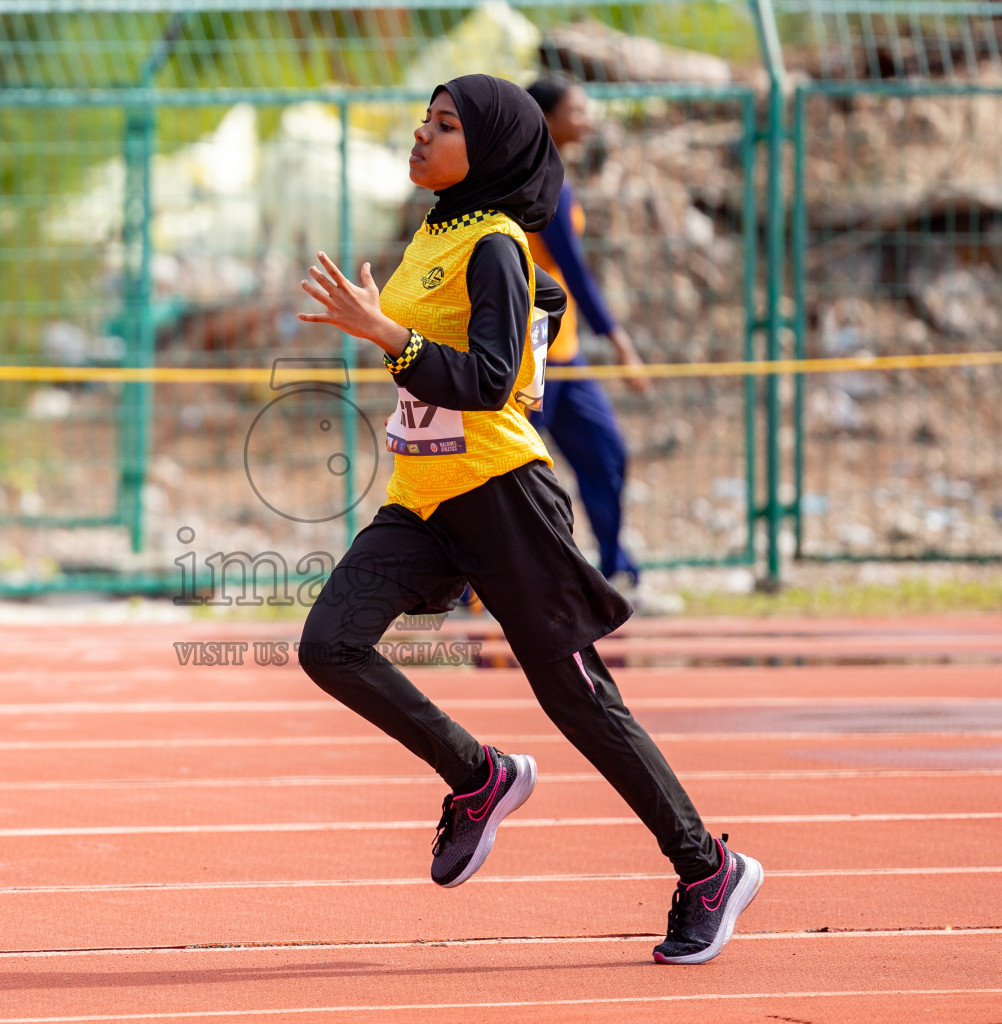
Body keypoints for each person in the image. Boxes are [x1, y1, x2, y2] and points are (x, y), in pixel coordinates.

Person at [294, 73, 761, 965]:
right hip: (423, 499)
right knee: (330, 646)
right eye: (423, 121)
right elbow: (517, 322)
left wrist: (388, 336)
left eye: (444, 125)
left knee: (578, 699)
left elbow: (484, 380)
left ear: (495, 149)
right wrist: (403, 327)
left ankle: (708, 869)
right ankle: (479, 776)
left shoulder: (499, 243)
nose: (421, 137)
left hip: (504, 496)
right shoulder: (434, 233)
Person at [522, 75, 658, 600]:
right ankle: (470, 588)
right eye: (578, 109)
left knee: (606, 453)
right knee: (510, 475)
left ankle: (615, 568)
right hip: (529, 354)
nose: (589, 117)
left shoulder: (553, 176)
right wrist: (620, 340)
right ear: (547, 118)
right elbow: (574, 273)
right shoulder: (538, 183)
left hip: (566, 353)